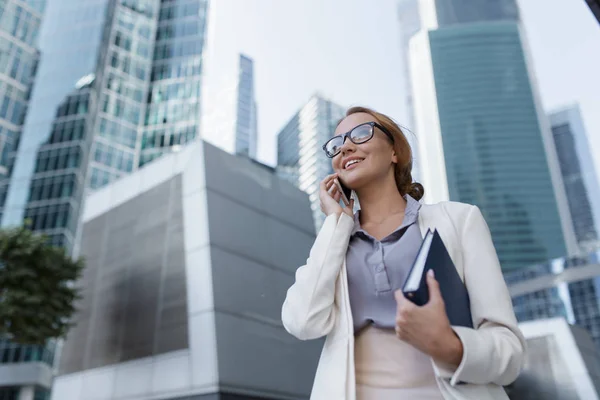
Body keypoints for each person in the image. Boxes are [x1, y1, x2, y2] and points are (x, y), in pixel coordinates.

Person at [281, 107, 526, 400]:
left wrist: (450, 345)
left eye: (361, 133)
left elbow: (509, 351)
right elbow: (302, 322)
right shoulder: (336, 241)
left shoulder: (460, 220)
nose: (345, 147)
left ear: (395, 151)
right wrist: (336, 222)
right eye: (336, 145)